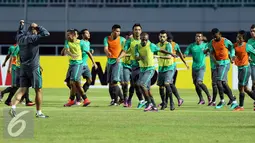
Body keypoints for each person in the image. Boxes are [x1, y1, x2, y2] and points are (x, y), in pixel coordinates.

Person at [9, 20, 50, 118]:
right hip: (33, 67)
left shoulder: (20, 38)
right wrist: (38, 26)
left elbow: (19, 33)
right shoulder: (34, 38)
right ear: (34, 31)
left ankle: (13, 107)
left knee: (22, 89)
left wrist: (21, 26)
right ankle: (39, 112)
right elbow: (46, 33)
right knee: (38, 90)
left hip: (23, 67)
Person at [135, 32, 176, 112]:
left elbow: (161, 50)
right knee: (145, 88)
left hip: (150, 69)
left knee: (141, 84)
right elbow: (136, 57)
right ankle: (154, 106)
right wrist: (140, 57)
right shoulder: (137, 46)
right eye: (143, 40)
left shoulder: (151, 45)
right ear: (140, 39)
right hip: (142, 69)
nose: (144, 41)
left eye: (146, 40)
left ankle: (149, 104)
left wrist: (170, 53)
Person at [208, 28, 238, 109]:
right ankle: (233, 99)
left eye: (216, 35)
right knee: (222, 83)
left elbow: (232, 48)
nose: (215, 37)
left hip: (225, 63)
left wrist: (232, 56)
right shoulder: (212, 42)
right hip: (218, 64)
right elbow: (211, 53)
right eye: (213, 35)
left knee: (219, 82)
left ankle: (223, 101)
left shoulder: (225, 41)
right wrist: (215, 62)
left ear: (219, 34)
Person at [63, 29, 94, 107]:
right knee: (72, 83)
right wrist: (71, 54)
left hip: (78, 64)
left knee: (73, 82)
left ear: (73, 35)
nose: (67, 36)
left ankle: (72, 100)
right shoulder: (67, 42)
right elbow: (66, 50)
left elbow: (88, 52)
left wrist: (93, 62)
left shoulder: (81, 43)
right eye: (66, 35)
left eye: (68, 35)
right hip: (71, 65)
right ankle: (85, 99)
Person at [118, 23, 145, 108]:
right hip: (132, 65)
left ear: (141, 31)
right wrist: (119, 57)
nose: (137, 31)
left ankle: (143, 101)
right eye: (135, 29)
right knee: (129, 84)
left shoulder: (144, 40)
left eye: (139, 29)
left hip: (143, 66)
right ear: (133, 31)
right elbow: (124, 50)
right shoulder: (129, 41)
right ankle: (128, 99)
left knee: (138, 85)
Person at [184, 32, 212, 105]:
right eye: (196, 36)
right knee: (196, 84)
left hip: (201, 67)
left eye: (199, 36)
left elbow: (210, 49)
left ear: (202, 38)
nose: (197, 38)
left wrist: (208, 52)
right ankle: (201, 99)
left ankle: (209, 96)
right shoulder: (191, 46)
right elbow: (185, 53)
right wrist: (183, 55)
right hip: (194, 67)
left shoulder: (205, 45)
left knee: (199, 82)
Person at [233, 30, 255, 111]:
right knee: (246, 88)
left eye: (239, 37)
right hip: (240, 68)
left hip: (246, 68)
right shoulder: (235, 45)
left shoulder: (247, 46)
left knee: (241, 87)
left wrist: (249, 57)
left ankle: (241, 106)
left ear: (243, 39)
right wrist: (231, 56)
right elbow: (231, 52)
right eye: (237, 36)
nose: (237, 38)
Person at [104, 24, 125, 106]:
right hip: (109, 62)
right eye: (116, 31)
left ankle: (117, 100)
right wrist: (107, 52)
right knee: (110, 83)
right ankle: (115, 99)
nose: (118, 33)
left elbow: (124, 51)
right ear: (112, 31)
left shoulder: (122, 40)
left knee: (115, 81)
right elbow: (105, 48)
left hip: (118, 62)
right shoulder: (107, 38)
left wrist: (119, 57)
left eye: (119, 31)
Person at [248, 24, 255, 91]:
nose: (252, 33)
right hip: (253, 64)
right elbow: (247, 52)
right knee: (254, 81)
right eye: (251, 31)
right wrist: (248, 57)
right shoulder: (249, 41)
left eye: (254, 31)